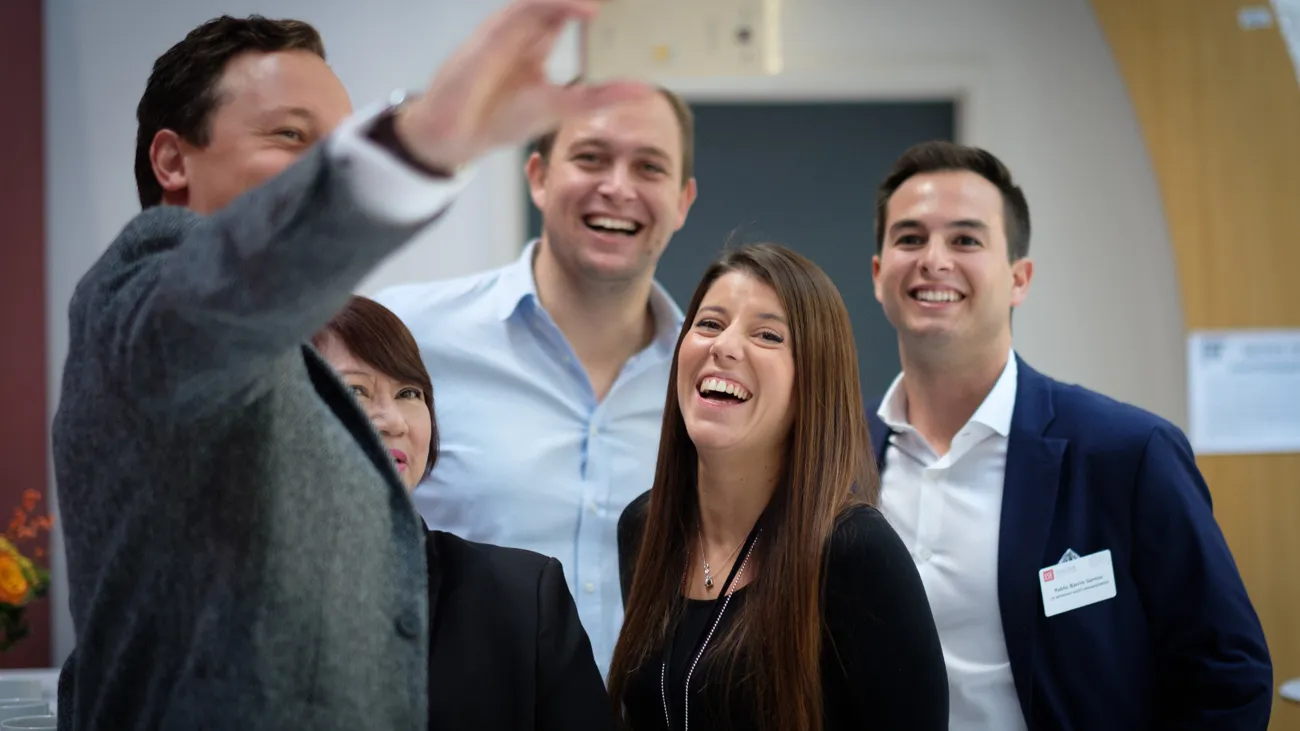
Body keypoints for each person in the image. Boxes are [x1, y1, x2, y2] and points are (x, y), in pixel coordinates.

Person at [50, 2, 652, 729]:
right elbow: (218, 296)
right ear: (173, 159)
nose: (322, 169)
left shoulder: (288, 372)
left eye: (339, 146)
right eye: (291, 136)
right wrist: (424, 140)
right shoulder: (139, 301)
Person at [867, 140, 1273, 730]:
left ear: (1019, 279)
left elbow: (1228, 673)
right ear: (879, 276)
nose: (933, 259)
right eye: (909, 238)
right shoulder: (836, 460)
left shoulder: (1127, 454)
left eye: (965, 239)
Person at [375, 83, 698, 676]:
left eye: (649, 166)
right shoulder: (407, 338)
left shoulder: (710, 381)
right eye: (591, 157)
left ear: (682, 201)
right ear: (538, 176)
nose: (619, 187)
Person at [609, 243, 949, 731]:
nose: (723, 346)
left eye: (767, 335)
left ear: (813, 383)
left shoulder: (854, 552)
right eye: (708, 324)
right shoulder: (644, 529)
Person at [310, 295, 616, 730]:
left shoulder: (521, 598)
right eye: (356, 390)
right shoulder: (231, 592)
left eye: (409, 393)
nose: (393, 420)